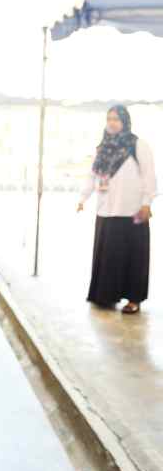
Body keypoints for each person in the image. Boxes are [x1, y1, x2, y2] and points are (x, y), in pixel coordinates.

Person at [77, 104, 156, 314]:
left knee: (134, 257)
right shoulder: (102, 148)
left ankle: (134, 299)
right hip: (106, 211)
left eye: (116, 119)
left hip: (134, 212)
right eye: (109, 118)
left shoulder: (138, 145)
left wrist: (147, 203)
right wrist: (83, 198)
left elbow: (149, 176)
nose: (112, 122)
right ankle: (105, 296)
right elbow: (91, 176)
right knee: (109, 256)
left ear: (125, 121)